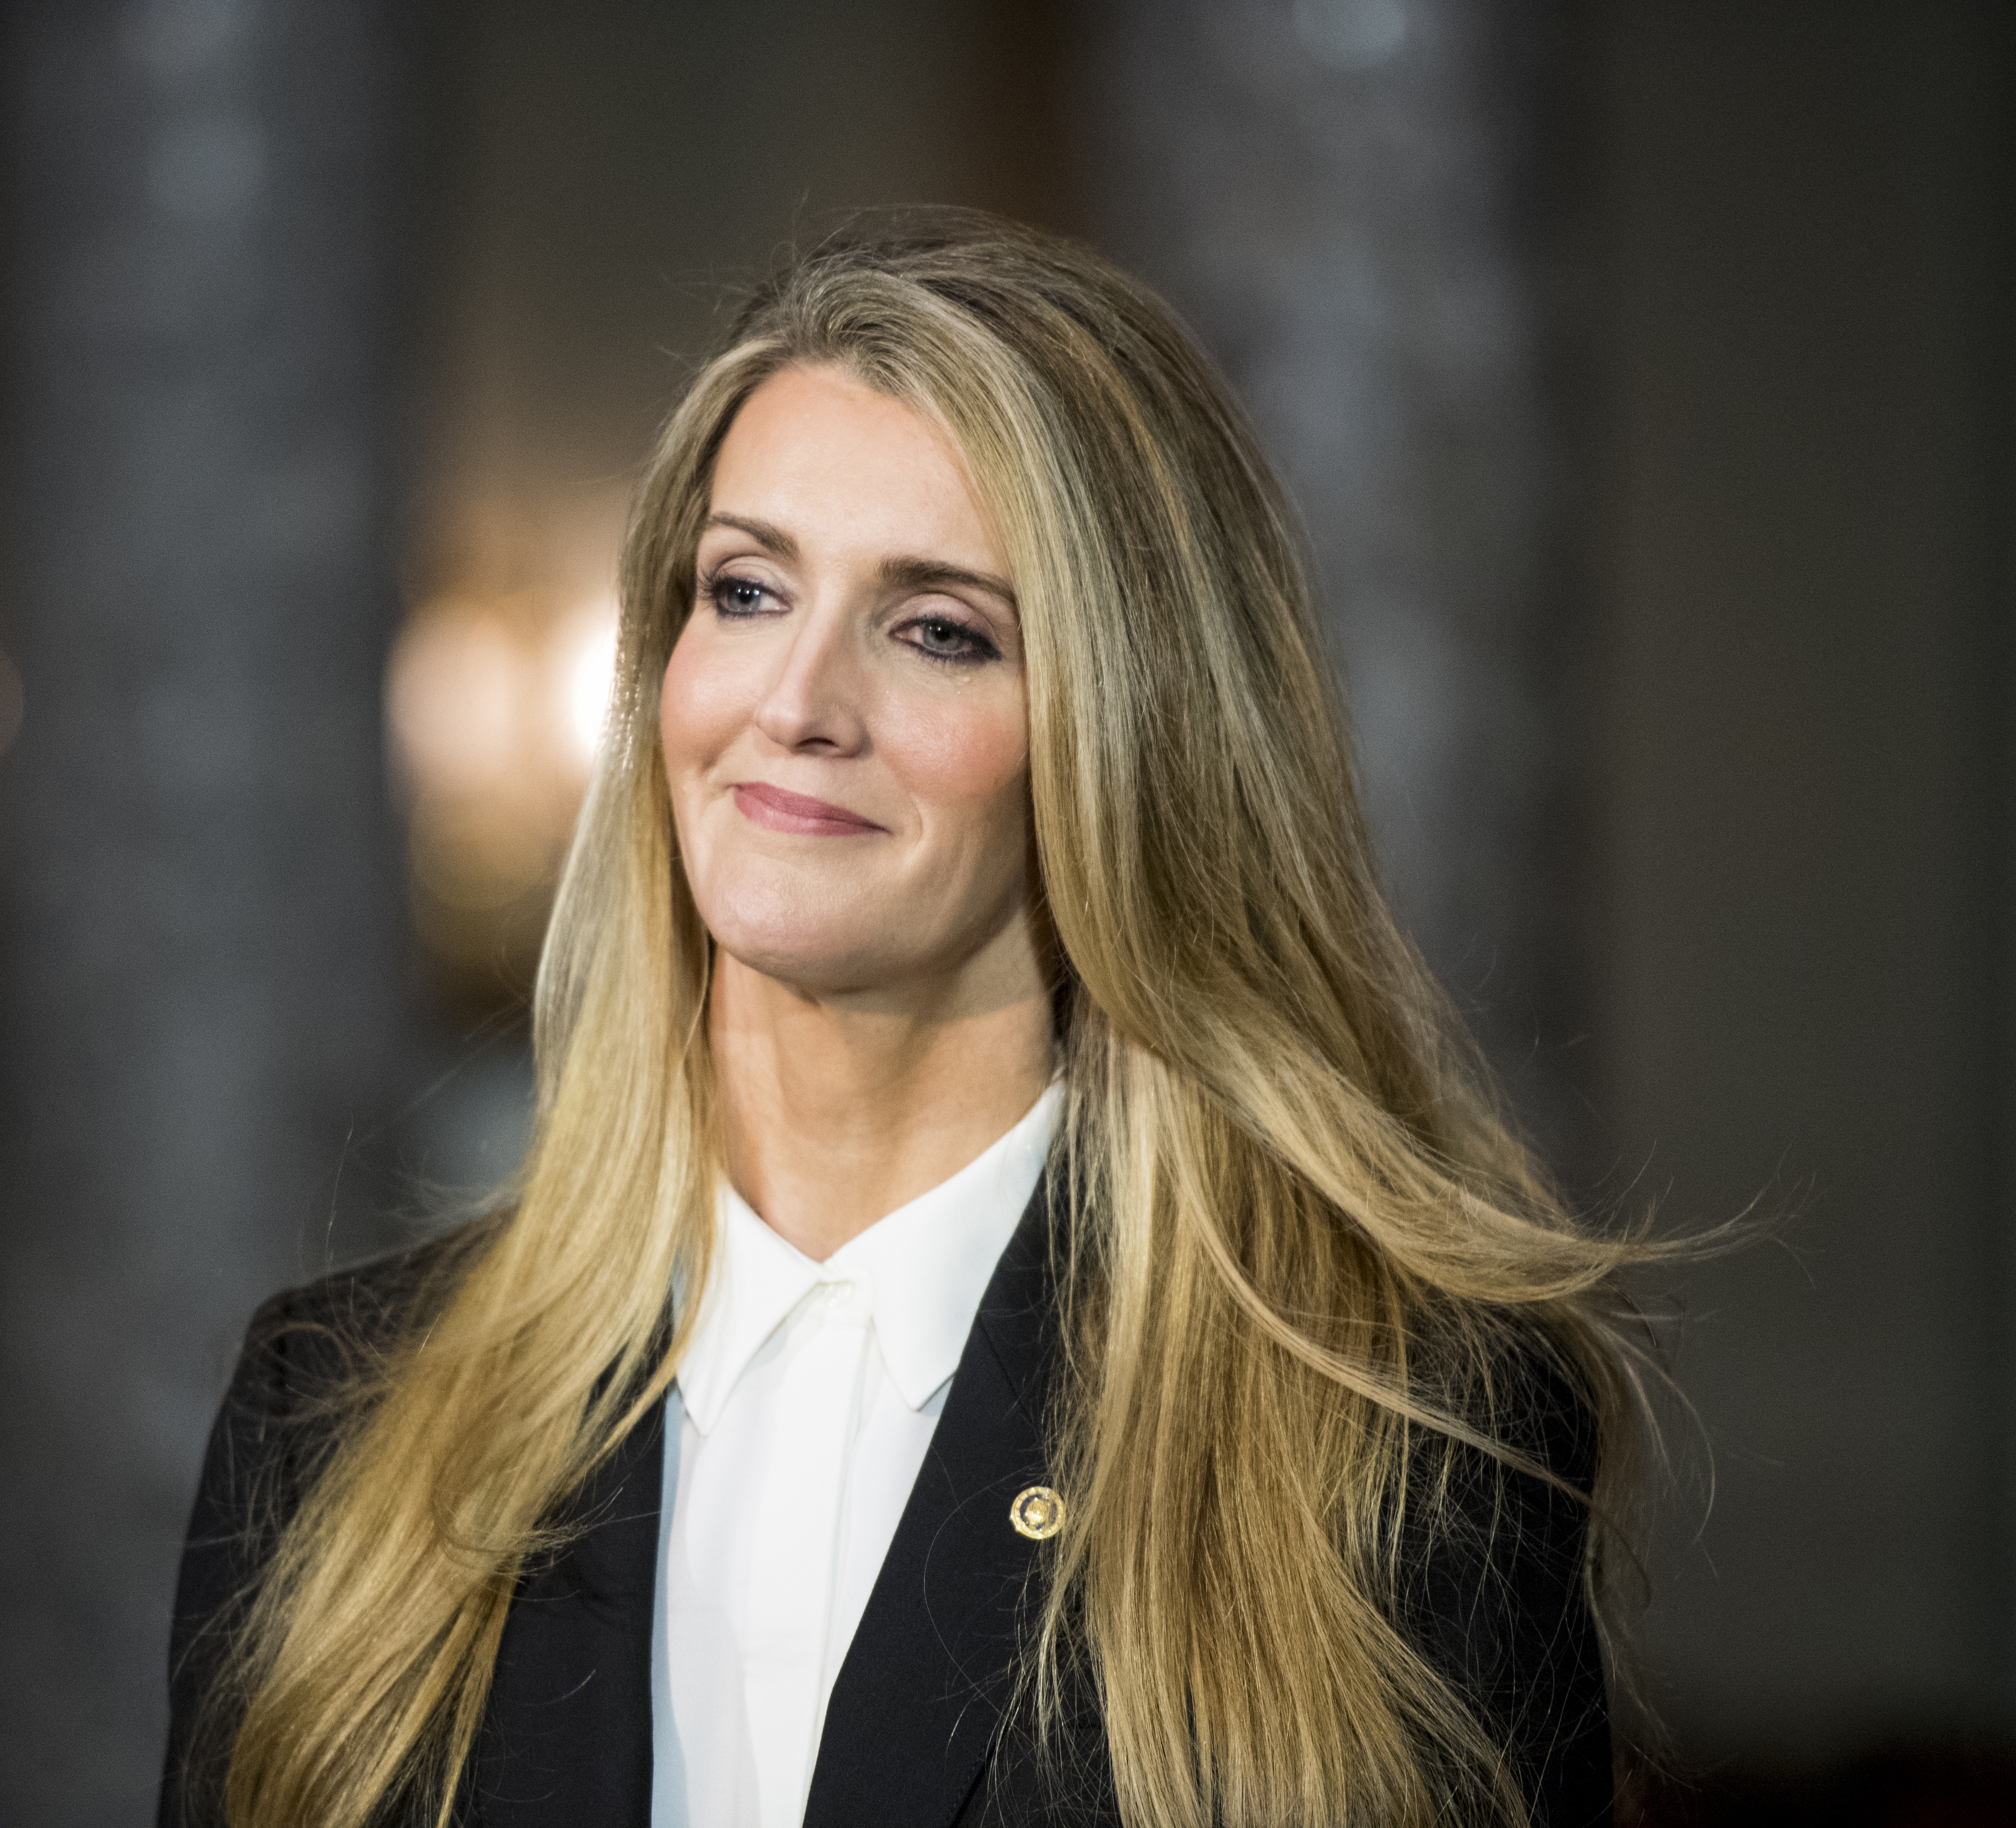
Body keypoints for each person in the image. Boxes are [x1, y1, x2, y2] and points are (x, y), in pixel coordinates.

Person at [159, 211, 1660, 1828]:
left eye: (939, 628)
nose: (795, 703)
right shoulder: (332, 1415)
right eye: (744, 590)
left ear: (1131, 735)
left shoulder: (1398, 1435)